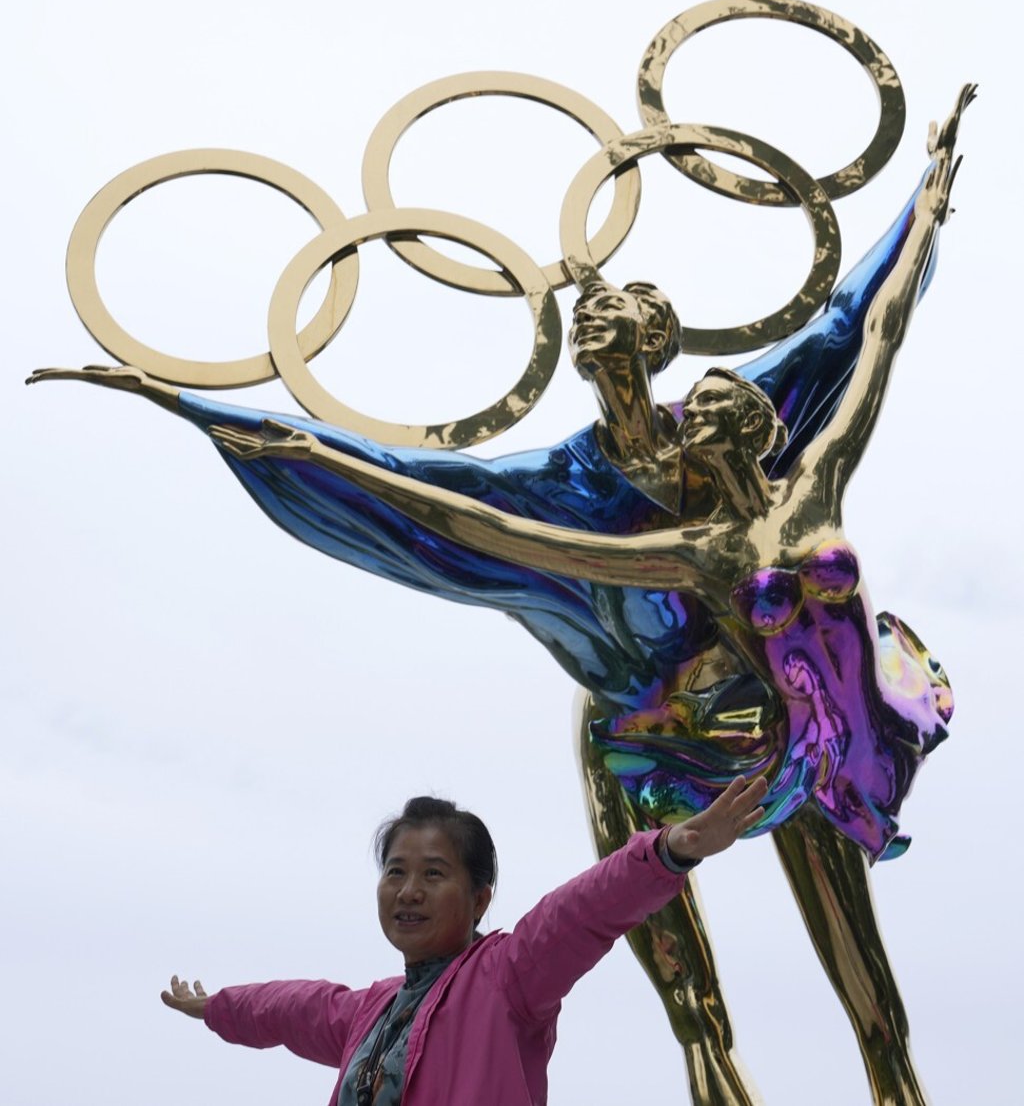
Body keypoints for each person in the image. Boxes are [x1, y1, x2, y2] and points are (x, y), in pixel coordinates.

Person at [26, 95, 961, 1106]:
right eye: (402, 871)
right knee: (684, 986)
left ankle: (890, 1079)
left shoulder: (768, 450)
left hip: (791, 726)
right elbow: (463, 515)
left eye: (620, 315)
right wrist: (244, 423)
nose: (596, 322)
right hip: (646, 733)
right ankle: (717, 1073)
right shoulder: (591, 499)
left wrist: (921, 212)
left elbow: (860, 336)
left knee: (859, 967)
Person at [161, 783, 766, 1105]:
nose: (409, 891)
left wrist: (668, 851)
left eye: (433, 874)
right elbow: (290, 1008)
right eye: (396, 871)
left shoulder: (508, 978)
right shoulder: (367, 1013)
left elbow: (582, 912)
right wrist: (216, 1006)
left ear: (480, 899)